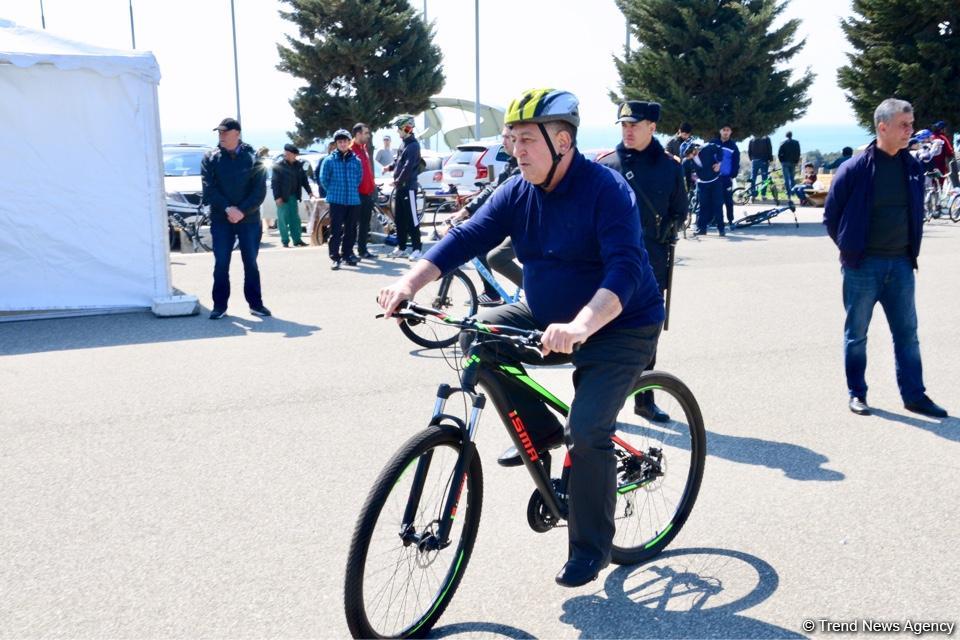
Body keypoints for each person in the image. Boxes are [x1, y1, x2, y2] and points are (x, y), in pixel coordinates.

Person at [378, 88, 665, 588]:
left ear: (562, 141)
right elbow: (466, 236)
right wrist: (409, 282)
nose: (516, 150)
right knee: (480, 338)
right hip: (546, 314)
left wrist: (581, 326)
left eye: (527, 139)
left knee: (588, 429)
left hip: (620, 325)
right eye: (512, 139)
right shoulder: (518, 190)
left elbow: (625, 269)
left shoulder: (606, 189)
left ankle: (591, 547)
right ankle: (542, 434)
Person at [823, 98, 947, 418]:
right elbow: (831, 216)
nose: (910, 131)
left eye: (911, 124)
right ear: (883, 127)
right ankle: (857, 394)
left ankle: (914, 395)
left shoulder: (912, 167)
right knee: (857, 335)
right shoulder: (855, 169)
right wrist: (851, 249)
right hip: (862, 267)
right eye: (904, 125)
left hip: (902, 265)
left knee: (907, 335)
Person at [599, 99, 686, 421]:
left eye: (634, 125)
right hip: (607, 267)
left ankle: (644, 399)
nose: (628, 130)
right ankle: (600, 407)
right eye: (624, 125)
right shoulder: (607, 166)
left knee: (646, 337)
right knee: (603, 337)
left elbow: (680, 210)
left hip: (651, 265)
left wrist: (668, 229)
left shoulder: (670, 167)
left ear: (652, 127)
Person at [441, 126, 523, 305]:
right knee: (481, 249)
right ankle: (492, 293)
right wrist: (466, 211)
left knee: (495, 257)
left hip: (523, 226)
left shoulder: (522, 167)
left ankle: (535, 293)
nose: (503, 142)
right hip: (511, 223)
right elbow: (491, 189)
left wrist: (477, 218)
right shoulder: (510, 163)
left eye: (507, 138)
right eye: (503, 137)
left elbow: (498, 196)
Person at [201, 117, 269, 320]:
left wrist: (241, 211)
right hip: (221, 219)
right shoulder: (211, 158)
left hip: (248, 219)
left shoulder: (253, 157)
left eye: (225, 132)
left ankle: (256, 304)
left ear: (237, 134)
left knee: (251, 263)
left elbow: (259, 191)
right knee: (221, 263)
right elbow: (209, 189)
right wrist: (228, 209)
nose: (221, 136)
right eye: (219, 132)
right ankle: (219, 306)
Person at [319, 129, 362, 270]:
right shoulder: (329, 160)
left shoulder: (356, 161)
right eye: (340, 142)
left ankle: (347, 254)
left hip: (353, 200)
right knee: (335, 230)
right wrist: (333, 191)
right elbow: (323, 179)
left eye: (345, 141)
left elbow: (359, 178)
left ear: (349, 142)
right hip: (336, 201)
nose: (343, 144)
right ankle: (335, 257)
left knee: (351, 230)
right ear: (336, 144)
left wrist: (351, 190)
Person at [386, 115, 423, 260]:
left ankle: (417, 249)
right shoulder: (403, 144)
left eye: (399, 128)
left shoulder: (413, 145)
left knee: (412, 219)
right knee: (400, 219)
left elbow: (408, 167)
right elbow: (398, 161)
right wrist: (389, 167)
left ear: (407, 128)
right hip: (400, 189)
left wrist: (397, 181)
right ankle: (401, 247)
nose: (397, 131)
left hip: (409, 188)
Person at [271, 143, 313, 248]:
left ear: (295, 155)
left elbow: (304, 180)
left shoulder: (298, 166)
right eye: (285, 153)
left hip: (293, 196)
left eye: (289, 154)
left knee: (295, 219)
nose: (286, 155)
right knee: (283, 219)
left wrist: (310, 192)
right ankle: (285, 241)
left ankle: (297, 240)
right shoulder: (279, 166)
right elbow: (275, 183)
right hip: (282, 197)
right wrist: (277, 197)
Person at [350, 123, 378, 259]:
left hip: (367, 193)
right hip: (356, 194)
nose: (368, 135)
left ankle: (363, 250)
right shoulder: (351, 150)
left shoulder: (364, 148)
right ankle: (349, 252)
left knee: (364, 224)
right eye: (366, 133)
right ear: (358, 134)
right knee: (351, 224)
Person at [691, 139, 724, 235]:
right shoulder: (688, 160)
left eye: (694, 151)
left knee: (718, 205)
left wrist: (719, 163)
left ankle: (721, 229)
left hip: (715, 181)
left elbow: (719, 149)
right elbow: (687, 172)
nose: (694, 154)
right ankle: (702, 229)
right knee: (703, 206)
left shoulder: (707, 147)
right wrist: (692, 176)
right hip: (702, 184)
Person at [712, 125, 740, 224]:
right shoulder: (713, 143)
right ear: (720, 131)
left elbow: (736, 162)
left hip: (726, 178)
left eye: (728, 130)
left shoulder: (733, 146)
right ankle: (716, 220)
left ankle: (730, 220)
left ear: (731, 132)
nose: (726, 132)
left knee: (728, 200)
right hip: (714, 178)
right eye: (724, 130)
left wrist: (732, 175)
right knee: (716, 200)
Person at [747, 133, 773, 199]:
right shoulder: (766, 138)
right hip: (764, 160)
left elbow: (749, 151)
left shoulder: (752, 139)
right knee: (765, 178)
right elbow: (769, 149)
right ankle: (763, 195)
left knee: (753, 177)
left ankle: (752, 194)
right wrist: (770, 159)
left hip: (754, 161)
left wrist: (751, 159)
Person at [778, 131, 801, 198]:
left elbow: (779, 153)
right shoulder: (796, 142)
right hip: (793, 162)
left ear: (786, 136)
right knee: (792, 178)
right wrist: (796, 161)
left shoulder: (783, 142)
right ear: (791, 135)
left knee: (786, 178)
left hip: (785, 162)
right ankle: (792, 191)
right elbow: (798, 152)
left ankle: (788, 192)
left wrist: (781, 161)